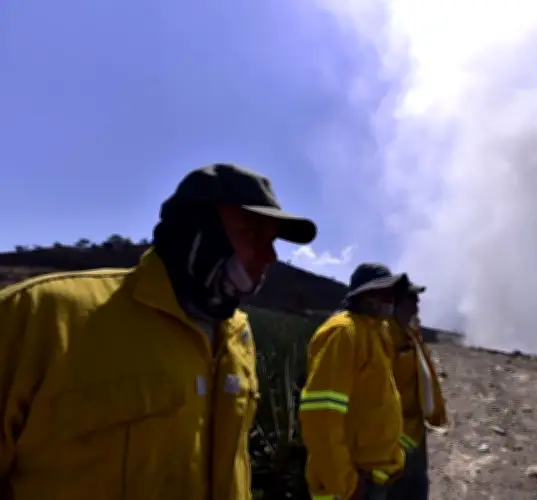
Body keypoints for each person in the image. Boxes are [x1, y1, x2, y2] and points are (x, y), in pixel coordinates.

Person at [0, 163, 317, 500]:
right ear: (198, 231)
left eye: (272, 240)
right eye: (252, 233)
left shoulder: (238, 335)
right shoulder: (42, 313)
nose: (270, 256)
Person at [299, 263, 410, 500]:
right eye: (380, 292)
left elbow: (379, 401)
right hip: (350, 486)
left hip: (372, 477)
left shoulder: (378, 332)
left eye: (391, 292)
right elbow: (321, 415)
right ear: (362, 295)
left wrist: (394, 457)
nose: (389, 298)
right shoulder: (343, 332)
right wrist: (345, 482)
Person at [386, 281, 448, 500]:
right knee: (398, 489)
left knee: (417, 486)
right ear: (397, 302)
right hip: (395, 435)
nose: (418, 302)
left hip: (415, 431)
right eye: (412, 298)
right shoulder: (386, 336)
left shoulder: (411, 333)